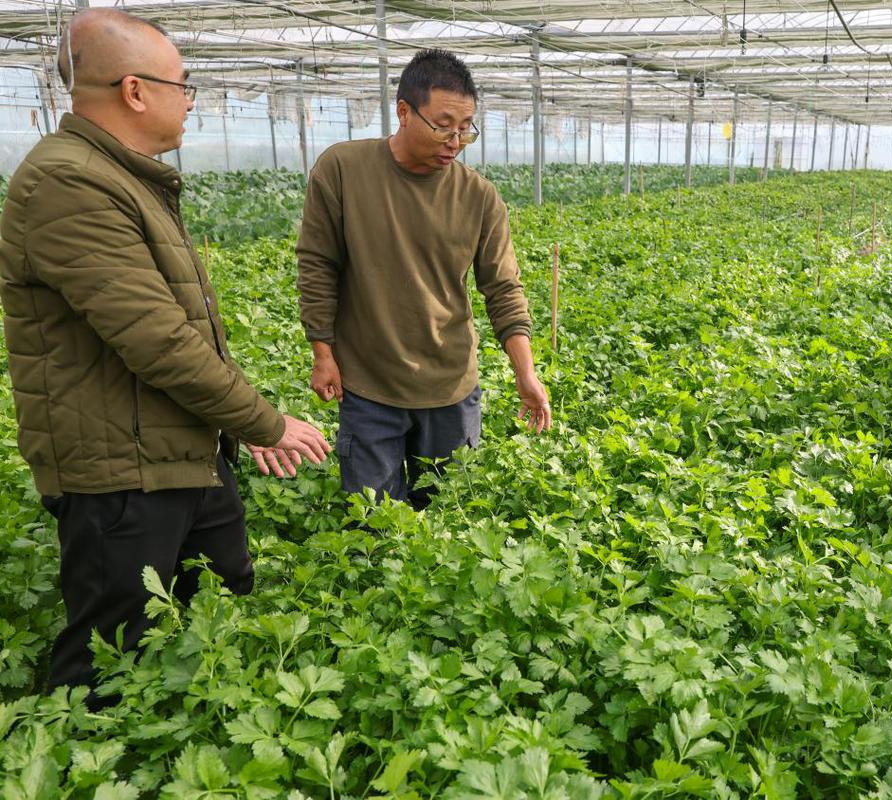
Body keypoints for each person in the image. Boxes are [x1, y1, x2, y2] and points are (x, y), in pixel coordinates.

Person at [0, 9, 331, 697]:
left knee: (221, 600)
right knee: (113, 654)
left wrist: (235, 425)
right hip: (119, 474)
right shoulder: (69, 184)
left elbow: (180, 327)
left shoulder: (125, 177)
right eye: (183, 85)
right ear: (134, 90)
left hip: (179, 451)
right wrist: (264, 422)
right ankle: (83, 744)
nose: (190, 101)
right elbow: (159, 340)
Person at [297, 48, 550, 509]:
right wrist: (322, 352)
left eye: (465, 129)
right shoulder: (342, 169)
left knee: (449, 517)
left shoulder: (479, 197)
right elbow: (317, 264)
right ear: (403, 112)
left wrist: (526, 373)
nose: (455, 141)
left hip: (451, 388)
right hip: (369, 387)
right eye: (443, 126)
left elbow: (503, 289)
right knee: (373, 524)